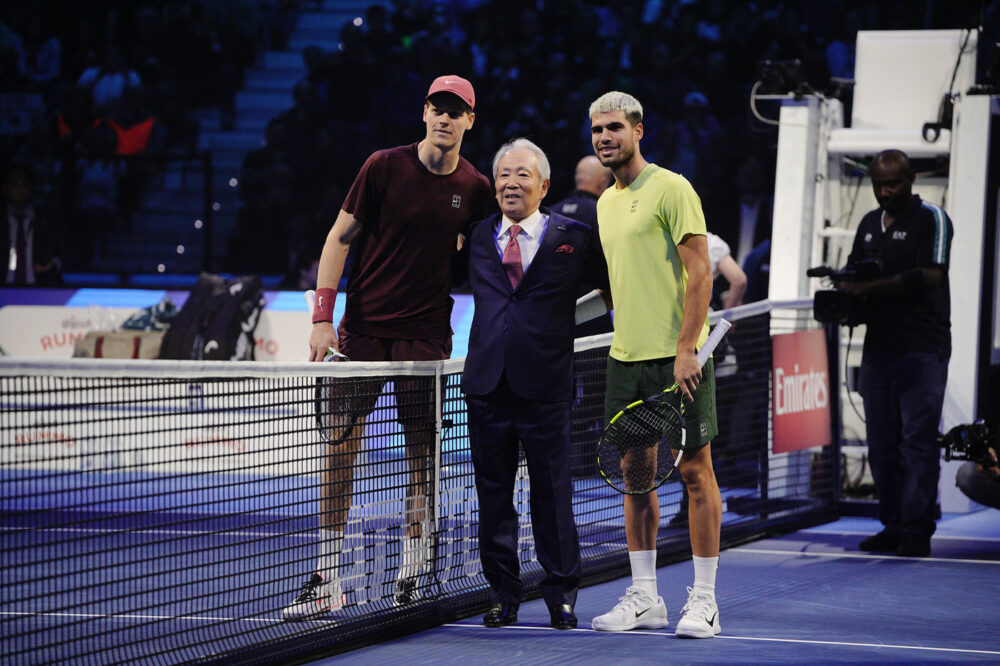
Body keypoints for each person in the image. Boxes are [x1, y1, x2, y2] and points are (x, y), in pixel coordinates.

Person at [283, 75, 493, 621]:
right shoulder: (382, 166)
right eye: (436, 108)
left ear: (471, 120)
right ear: (424, 113)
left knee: (423, 454)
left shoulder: (475, 189)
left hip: (425, 338)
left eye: (456, 111)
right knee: (340, 446)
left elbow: (482, 260)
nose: (444, 118)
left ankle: (413, 569)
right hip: (364, 333)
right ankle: (328, 577)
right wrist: (323, 319)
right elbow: (338, 238)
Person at [588, 91, 723, 639]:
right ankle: (646, 597)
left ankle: (706, 602)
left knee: (694, 472)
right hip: (625, 359)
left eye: (615, 127)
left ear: (639, 131)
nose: (604, 137)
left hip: (677, 358)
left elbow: (701, 273)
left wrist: (687, 347)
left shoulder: (671, 188)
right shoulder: (604, 202)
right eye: (597, 129)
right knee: (635, 478)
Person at [461, 138, 609, 631]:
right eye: (504, 174)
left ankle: (562, 596)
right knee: (494, 497)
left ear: (544, 185)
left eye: (523, 175)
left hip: (547, 387)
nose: (511, 183)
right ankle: (503, 594)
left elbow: (612, 288)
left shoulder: (576, 235)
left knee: (552, 495)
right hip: (487, 388)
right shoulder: (478, 235)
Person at [838, 149, 953, 558]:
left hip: (923, 350)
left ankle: (917, 530)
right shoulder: (869, 224)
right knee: (881, 443)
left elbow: (931, 275)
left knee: (918, 443)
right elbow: (854, 272)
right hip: (878, 350)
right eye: (878, 185)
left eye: (893, 184)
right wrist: (846, 293)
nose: (885, 192)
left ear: (911, 180)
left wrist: (868, 289)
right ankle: (892, 524)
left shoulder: (932, 219)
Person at [552, 155, 614, 336]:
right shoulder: (604, 213)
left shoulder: (549, 214)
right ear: (603, 182)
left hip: (553, 317)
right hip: (593, 316)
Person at [3, 162, 61, 285]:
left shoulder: (47, 220)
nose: (20, 189)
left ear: (32, 188)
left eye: (25, 184)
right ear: (5, 188)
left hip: (40, 290)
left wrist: (55, 263)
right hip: (3, 289)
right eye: (15, 184)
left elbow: (67, 251)